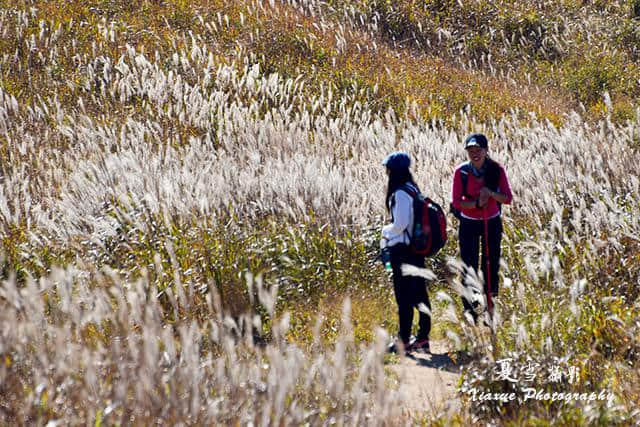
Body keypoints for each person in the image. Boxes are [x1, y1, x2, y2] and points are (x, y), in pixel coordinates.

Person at [450, 134, 513, 323]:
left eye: (478, 150)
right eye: (471, 151)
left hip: (491, 221)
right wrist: (478, 203)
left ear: (486, 150)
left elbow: (507, 198)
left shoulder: (496, 170)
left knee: (491, 264)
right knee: (469, 265)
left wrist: (491, 194)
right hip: (469, 223)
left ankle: (490, 309)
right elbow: (457, 203)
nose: (475, 154)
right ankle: (470, 311)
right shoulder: (461, 172)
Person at [380, 151, 431, 354]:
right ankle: (423, 338)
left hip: (403, 250)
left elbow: (400, 225)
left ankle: (404, 340)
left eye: (388, 168)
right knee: (419, 294)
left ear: (393, 171)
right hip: (416, 250)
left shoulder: (401, 192)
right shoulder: (412, 189)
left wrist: (385, 231)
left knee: (404, 297)